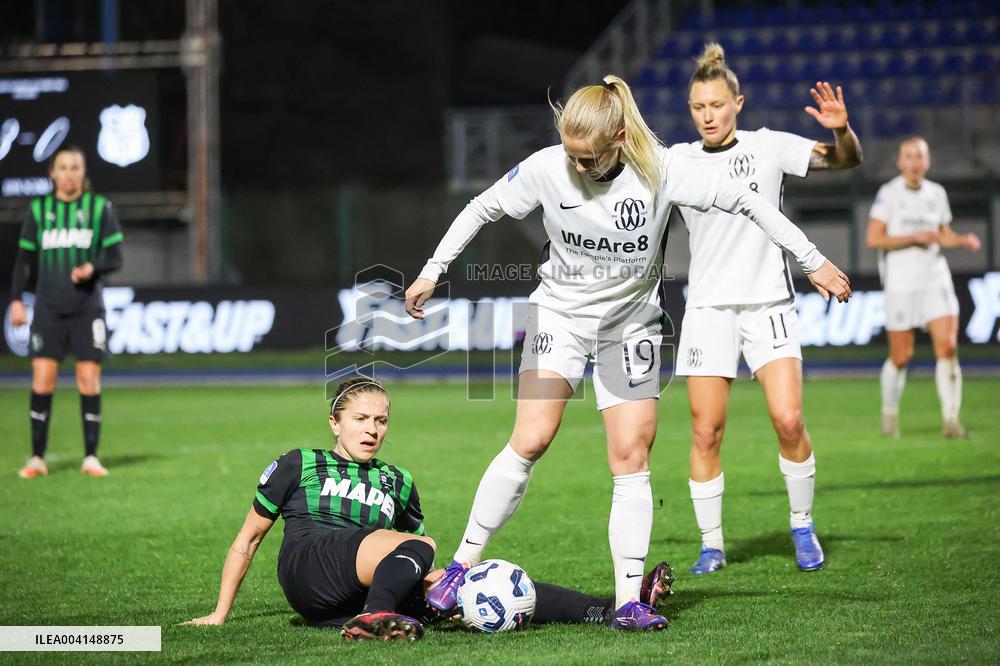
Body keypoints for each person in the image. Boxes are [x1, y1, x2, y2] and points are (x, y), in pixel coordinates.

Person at [403, 74, 851, 627]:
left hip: (631, 329)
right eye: (571, 153)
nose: (578, 166)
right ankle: (459, 565)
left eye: (588, 157)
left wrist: (813, 259)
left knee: (631, 457)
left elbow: (748, 202)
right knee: (532, 437)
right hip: (559, 318)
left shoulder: (663, 170)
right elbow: (480, 208)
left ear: (618, 137)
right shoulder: (548, 167)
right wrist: (431, 272)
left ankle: (627, 601)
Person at [183, 378, 676, 641]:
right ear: (334, 423)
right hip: (309, 566)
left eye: (381, 420)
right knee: (421, 545)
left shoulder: (398, 481)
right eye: (360, 419)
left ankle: (609, 609)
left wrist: (452, 585)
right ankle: (376, 615)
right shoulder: (300, 464)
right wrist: (219, 613)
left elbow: (409, 564)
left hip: (349, 593)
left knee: (474, 579)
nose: (372, 429)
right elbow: (247, 540)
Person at [668, 44, 863, 575]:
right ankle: (712, 544)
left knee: (789, 419)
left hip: (769, 304)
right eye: (697, 106)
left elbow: (844, 160)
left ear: (738, 103)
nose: (707, 115)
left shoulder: (769, 147)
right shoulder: (679, 161)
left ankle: (802, 526)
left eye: (716, 104)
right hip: (708, 309)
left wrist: (841, 131)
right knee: (706, 431)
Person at [9, 145, 124, 479]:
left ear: (82, 173)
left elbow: (116, 257)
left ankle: (91, 457)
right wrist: (17, 299)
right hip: (48, 309)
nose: (70, 173)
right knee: (43, 379)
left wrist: (93, 267)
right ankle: (37, 458)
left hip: (87, 310)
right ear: (53, 173)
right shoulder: (39, 209)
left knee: (88, 380)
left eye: (76, 167)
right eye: (63, 167)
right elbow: (24, 260)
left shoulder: (99, 207)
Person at [867, 137, 981, 439]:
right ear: (900, 162)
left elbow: (940, 234)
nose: (915, 162)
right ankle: (889, 415)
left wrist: (961, 240)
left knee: (948, 348)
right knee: (901, 357)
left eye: (920, 156)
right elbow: (874, 238)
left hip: (934, 279)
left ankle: (951, 421)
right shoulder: (888, 194)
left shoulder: (937, 194)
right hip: (901, 283)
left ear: (927, 162)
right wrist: (913, 237)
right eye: (909, 156)